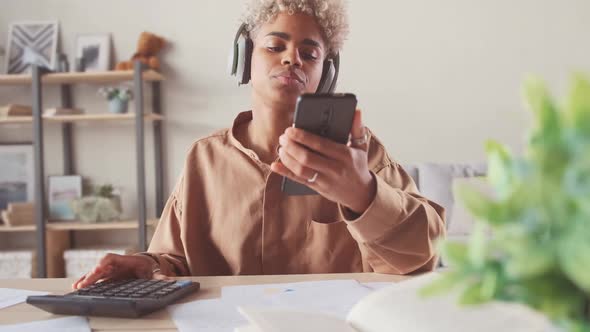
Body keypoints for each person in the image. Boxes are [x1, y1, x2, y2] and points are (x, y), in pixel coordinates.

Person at [73, 0, 445, 290]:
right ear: (246, 56)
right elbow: (174, 260)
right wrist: (149, 266)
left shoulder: (358, 154)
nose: (291, 58)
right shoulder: (205, 158)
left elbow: (420, 259)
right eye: (274, 45)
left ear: (326, 73)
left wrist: (365, 195)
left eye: (310, 54)